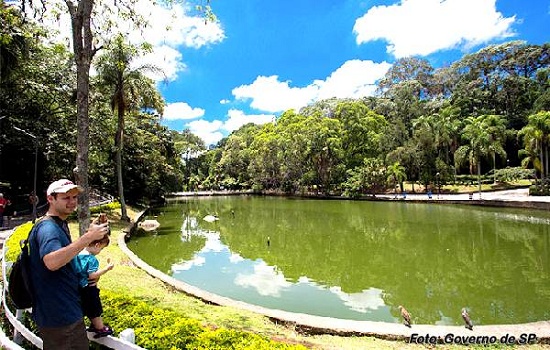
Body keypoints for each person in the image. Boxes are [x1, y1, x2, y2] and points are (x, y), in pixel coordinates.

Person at [28, 179, 110, 350]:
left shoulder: (59, 224)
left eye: (74, 197)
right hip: (61, 317)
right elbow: (52, 262)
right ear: (50, 199)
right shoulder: (48, 229)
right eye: (66, 198)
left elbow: (64, 262)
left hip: (63, 312)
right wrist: (88, 238)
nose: (72, 202)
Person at [74, 230, 114, 338]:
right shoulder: (91, 259)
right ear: (97, 245)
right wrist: (107, 268)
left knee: (86, 307)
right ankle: (100, 328)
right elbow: (92, 275)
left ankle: (93, 325)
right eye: (101, 248)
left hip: (79, 287)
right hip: (90, 288)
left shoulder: (78, 254)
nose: (100, 251)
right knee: (95, 308)